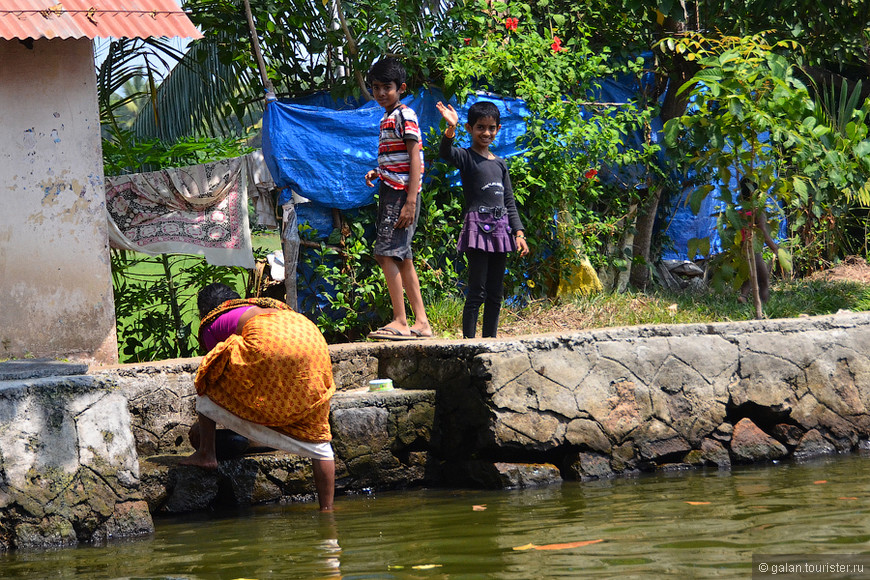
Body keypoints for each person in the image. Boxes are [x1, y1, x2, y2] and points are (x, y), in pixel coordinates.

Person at [181, 282, 336, 511]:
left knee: (207, 377)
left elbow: (219, 371)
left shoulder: (213, 322)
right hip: (311, 339)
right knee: (319, 438)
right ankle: (327, 511)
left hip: (271, 341)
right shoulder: (262, 307)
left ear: (205, 310)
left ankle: (207, 454)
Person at [436, 100, 530, 338]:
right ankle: (469, 341)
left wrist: (518, 233)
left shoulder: (500, 164)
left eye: (491, 128)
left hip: (501, 230)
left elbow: (509, 201)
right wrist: (450, 129)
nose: (486, 133)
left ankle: (490, 340)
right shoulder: (466, 157)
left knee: (495, 292)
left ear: (497, 129)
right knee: (477, 290)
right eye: (480, 127)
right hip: (478, 227)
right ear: (470, 128)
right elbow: (445, 152)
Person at [363, 57, 434, 341]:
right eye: (375, 87)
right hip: (393, 188)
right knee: (402, 256)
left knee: (385, 252)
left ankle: (401, 321)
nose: (380, 93)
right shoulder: (387, 117)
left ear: (401, 87)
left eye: (386, 87)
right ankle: (422, 323)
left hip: (402, 194)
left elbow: (415, 157)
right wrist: (378, 171)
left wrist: (411, 201)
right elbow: (399, 159)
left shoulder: (405, 115)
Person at [737, 178, 779, 304]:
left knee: (748, 275)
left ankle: (743, 296)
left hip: (742, 247)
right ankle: (763, 305)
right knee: (763, 279)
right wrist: (775, 248)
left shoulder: (740, 212)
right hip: (754, 248)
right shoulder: (758, 212)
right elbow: (763, 233)